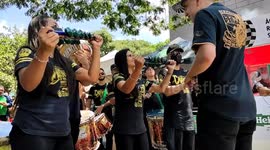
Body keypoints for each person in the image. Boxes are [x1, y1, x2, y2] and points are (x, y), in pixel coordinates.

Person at [9, 15, 102, 150]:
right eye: (54, 27)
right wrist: (43, 51)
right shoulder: (27, 52)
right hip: (32, 133)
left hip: (63, 134)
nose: (59, 30)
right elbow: (28, 84)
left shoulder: (65, 61)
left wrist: (97, 49)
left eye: (58, 27)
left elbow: (91, 78)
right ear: (37, 30)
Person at [181, 0, 257, 150]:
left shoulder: (204, 14)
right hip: (247, 107)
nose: (185, 13)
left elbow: (207, 56)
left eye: (186, 6)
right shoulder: (237, 17)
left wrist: (188, 77)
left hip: (219, 109)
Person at [112, 48, 176, 150]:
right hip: (124, 129)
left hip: (141, 128)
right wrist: (138, 69)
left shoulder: (141, 80)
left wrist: (169, 73)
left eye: (133, 54)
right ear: (122, 60)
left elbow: (160, 88)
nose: (134, 57)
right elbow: (126, 89)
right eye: (130, 56)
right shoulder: (118, 76)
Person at [163, 44, 195, 150]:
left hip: (188, 115)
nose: (179, 55)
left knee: (190, 146)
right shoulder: (166, 72)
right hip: (174, 116)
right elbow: (166, 91)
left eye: (180, 53)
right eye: (175, 52)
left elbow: (190, 91)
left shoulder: (186, 72)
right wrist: (184, 85)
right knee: (177, 146)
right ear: (169, 56)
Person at [68, 43, 93, 149]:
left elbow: (87, 81)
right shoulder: (66, 62)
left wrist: (85, 63)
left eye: (88, 55)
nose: (85, 56)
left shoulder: (77, 67)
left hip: (73, 112)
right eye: (82, 51)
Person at [88, 68, 114, 150]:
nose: (101, 74)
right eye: (99, 73)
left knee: (109, 135)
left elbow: (113, 100)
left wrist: (103, 106)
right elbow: (89, 100)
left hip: (108, 113)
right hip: (96, 113)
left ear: (105, 74)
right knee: (98, 136)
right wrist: (88, 112)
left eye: (102, 73)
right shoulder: (93, 88)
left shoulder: (109, 86)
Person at [143, 66, 164, 150]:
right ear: (145, 73)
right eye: (148, 69)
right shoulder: (144, 83)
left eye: (152, 69)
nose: (150, 70)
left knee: (163, 137)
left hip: (163, 113)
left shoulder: (161, 83)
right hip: (151, 114)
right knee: (154, 139)